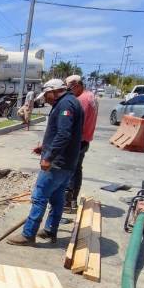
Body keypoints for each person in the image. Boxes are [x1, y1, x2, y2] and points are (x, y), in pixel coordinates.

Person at [7, 79, 84, 246]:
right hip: (68, 162)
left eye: (46, 95)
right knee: (57, 199)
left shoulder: (65, 105)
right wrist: (45, 147)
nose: (46, 100)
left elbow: (64, 134)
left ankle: (28, 234)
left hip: (57, 164)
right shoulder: (71, 102)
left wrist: (49, 157)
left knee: (39, 197)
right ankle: (50, 231)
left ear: (53, 91)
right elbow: (63, 133)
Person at [64, 74, 98, 211]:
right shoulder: (92, 96)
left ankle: (67, 201)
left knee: (69, 170)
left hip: (77, 140)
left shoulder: (81, 100)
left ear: (77, 85)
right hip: (85, 139)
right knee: (77, 169)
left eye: (69, 88)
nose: (68, 91)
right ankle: (72, 200)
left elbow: (76, 123)